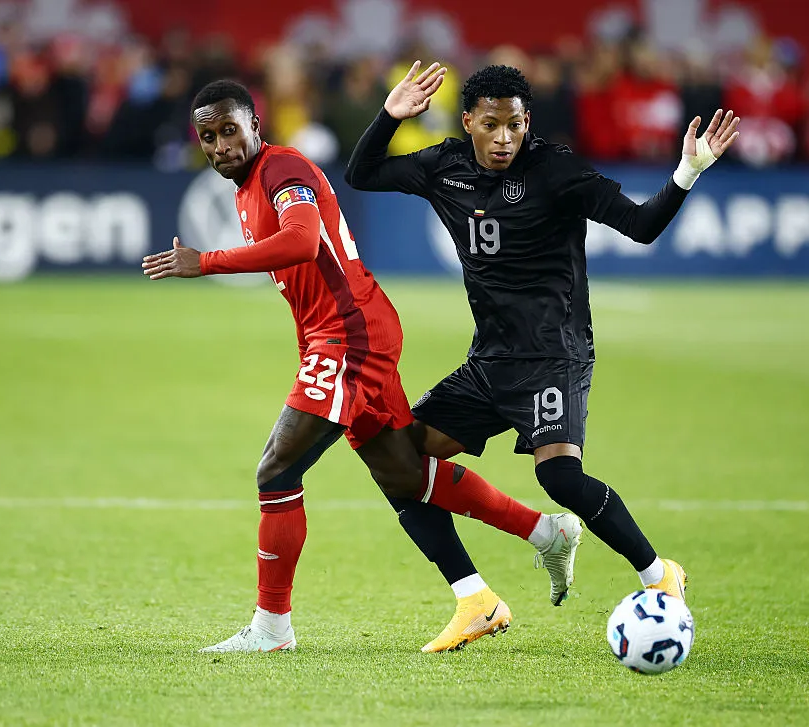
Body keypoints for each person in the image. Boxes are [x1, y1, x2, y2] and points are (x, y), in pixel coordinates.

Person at [140, 79, 583, 654]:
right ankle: (540, 536)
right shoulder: (248, 186)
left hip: (350, 338)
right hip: (345, 334)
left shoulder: (283, 170)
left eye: (231, 130)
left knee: (276, 471)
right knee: (403, 473)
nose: (222, 145)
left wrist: (208, 262)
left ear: (256, 124)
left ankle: (272, 627)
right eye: (209, 137)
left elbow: (302, 241)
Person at [346, 62, 741, 606]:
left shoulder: (557, 172)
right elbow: (360, 174)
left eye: (514, 124)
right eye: (490, 125)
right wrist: (389, 116)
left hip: (555, 353)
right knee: (400, 462)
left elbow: (641, 226)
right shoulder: (445, 166)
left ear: (527, 121)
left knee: (558, 477)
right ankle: (477, 598)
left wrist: (686, 173)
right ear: (468, 122)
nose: (504, 138)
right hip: (490, 360)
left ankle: (658, 573)